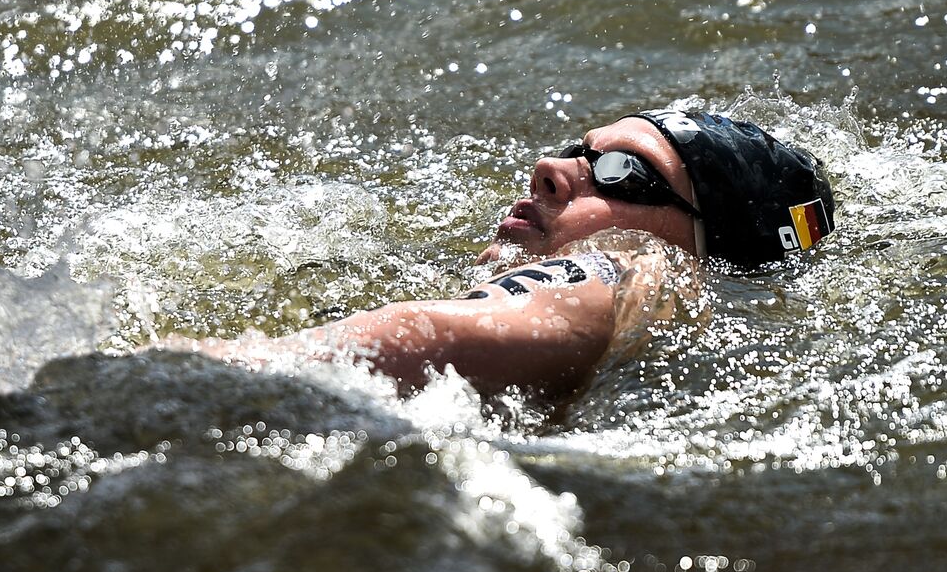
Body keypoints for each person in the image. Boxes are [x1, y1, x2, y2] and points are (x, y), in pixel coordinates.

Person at [163, 109, 836, 395]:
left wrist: (194, 368)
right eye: (581, 151)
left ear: (705, 246)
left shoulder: (638, 267)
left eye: (623, 176)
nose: (550, 167)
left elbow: (420, 335)